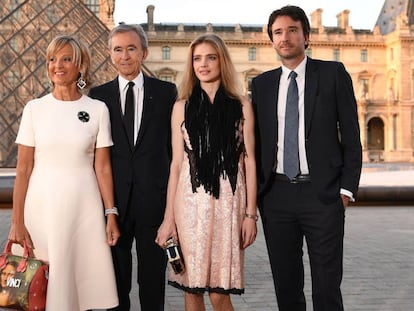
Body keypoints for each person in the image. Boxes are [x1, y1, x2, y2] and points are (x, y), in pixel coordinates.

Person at [252, 5, 362, 311]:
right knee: (286, 286)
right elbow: (258, 142)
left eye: (292, 30)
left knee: (327, 288)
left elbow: (352, 138)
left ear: (307, 36)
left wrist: (345, 191)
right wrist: (260, 196)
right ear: (271, 41)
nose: (284, 37)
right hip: (276, 195)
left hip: (323, 195)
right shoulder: (261, 84)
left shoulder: (333, 74)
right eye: (277, 32)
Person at [8, 34, 120, 311]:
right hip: (41, 208)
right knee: (41, 290)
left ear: (80, 65)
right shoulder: (34, 109)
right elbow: (22, 169)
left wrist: (111, 213)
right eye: (52, 59)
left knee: (77, 289)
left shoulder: (97, 110)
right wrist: (16, 221)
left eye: (66, 59)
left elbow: (103, 167)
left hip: (84, 209)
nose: (57, 65)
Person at [155, 33, 257, 311]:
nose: (203, 64)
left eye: (210, 57)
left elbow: (249, 162)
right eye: (197, 58)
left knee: (219, 293)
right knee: (192, 289)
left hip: (228, 203)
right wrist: (168, 220)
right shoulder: (181, 107)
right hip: (188, 204)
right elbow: (176, 165)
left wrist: (250, 215)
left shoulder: (242, 106)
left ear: (221, 61)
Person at [89, 23, 177, 311]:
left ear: (144, 52)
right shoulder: (97, 96)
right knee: (116, 284)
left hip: (155, 202)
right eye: (117, 49)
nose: (124, 56)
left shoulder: (166, 92)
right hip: (114, 206)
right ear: (109, 54)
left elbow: (174, 151)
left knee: (152, 283)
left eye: (131, 48)